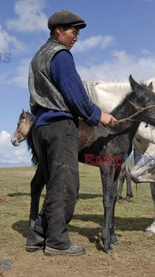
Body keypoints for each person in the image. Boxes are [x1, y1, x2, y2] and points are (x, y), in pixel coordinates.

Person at [25, 10, 117, 256]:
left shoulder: (37, 57)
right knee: (66, 184)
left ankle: (37, 235)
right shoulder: (61, 55)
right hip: (60, 126)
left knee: (54, 182)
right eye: (73, 32)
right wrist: (99, 115)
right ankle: (57, 242)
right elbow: (74, 94)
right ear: (58, 31)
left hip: (41, 127)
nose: (76, 37)